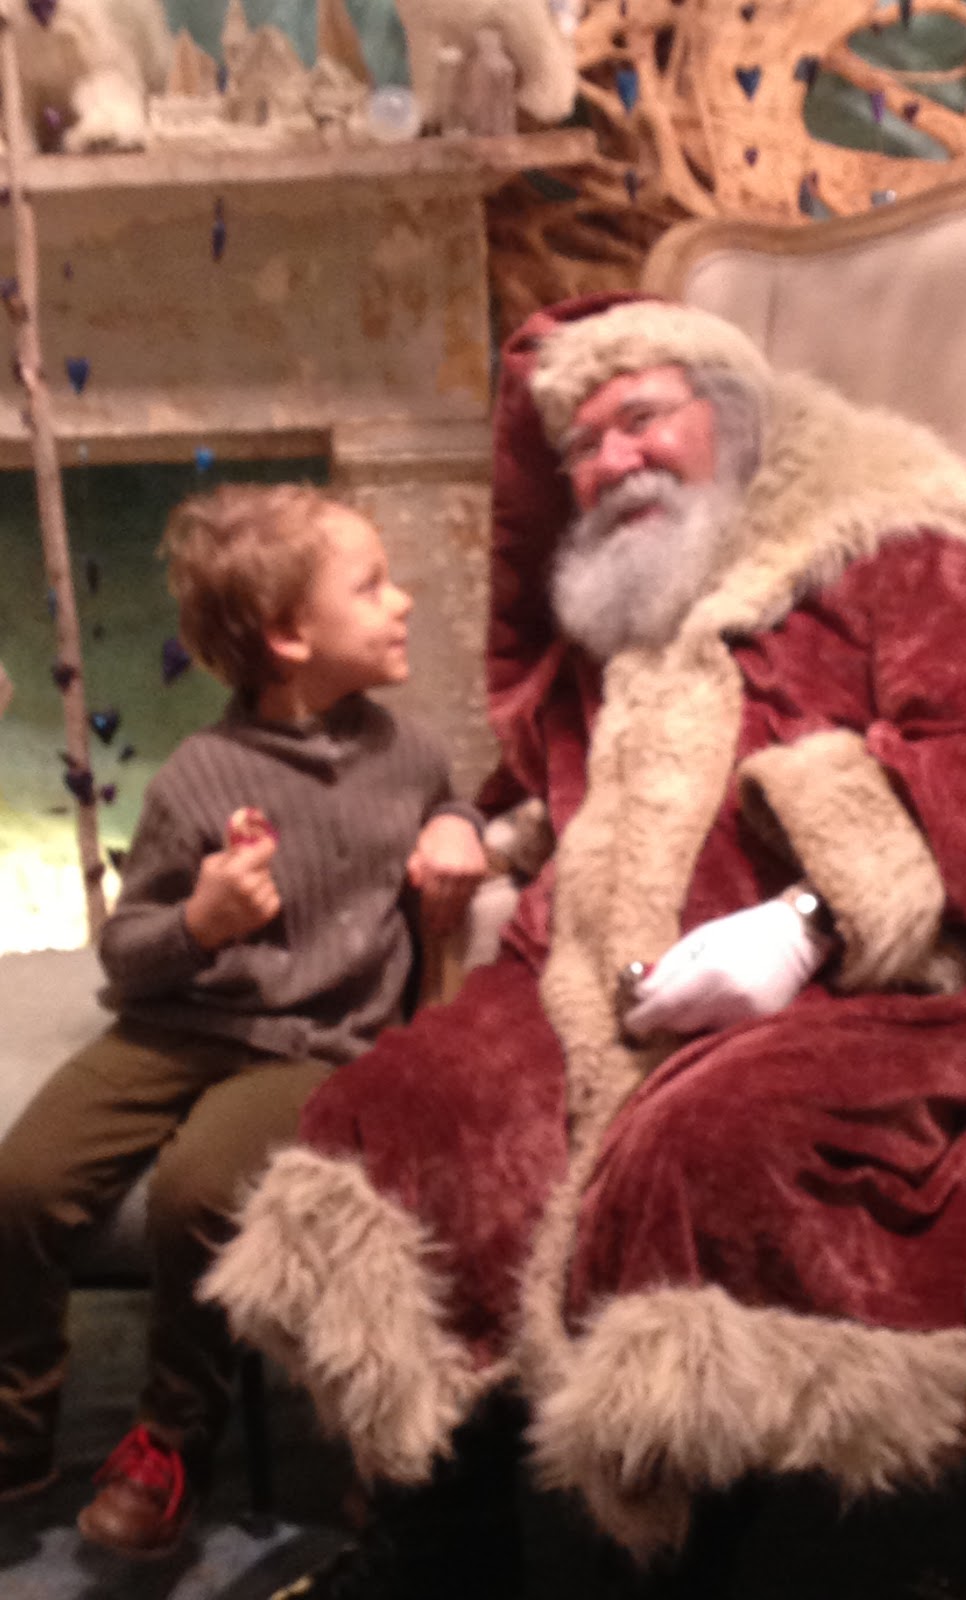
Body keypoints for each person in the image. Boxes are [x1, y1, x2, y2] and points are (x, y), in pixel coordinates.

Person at [206, 298, 966, 1595]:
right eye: (584, 443)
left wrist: (807, 921)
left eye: (642, 417)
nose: (612, 456)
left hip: (882, 986)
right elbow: (540, 761)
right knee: (390, 1118)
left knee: (707, 1151)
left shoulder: (904, 553)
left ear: (732, 419)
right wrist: (477, 832)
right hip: (592, 976)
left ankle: (703, 1554)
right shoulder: (623, 604)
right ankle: (441, 1548)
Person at [0, 483, 487, 1556]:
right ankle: (18, 1424)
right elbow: (127, 954)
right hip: (174, 1024)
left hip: (316, 1041)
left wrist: (458, 825)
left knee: (198, 1194)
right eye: (372, 585)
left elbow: (453, 798)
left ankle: (172, 1437)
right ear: (288, 636)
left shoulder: (409, 755)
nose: (402, 600)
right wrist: (201, 922)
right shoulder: (199, 776)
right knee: (21, 1181)